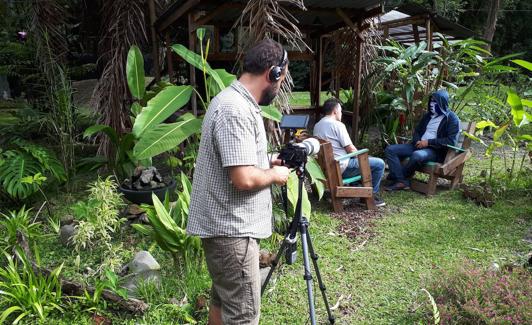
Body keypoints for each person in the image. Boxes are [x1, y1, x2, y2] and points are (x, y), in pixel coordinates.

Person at [187, 39, 291, 325]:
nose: (279, 86)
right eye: (281, 79)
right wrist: (275, 175)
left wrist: (266, 162)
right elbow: (243, 178)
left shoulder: (232, 101)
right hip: (233, 233)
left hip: (226, 232)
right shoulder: (236, 110)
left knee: (222, 302)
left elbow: (237, 161)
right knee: (243, 315)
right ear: (272, 73)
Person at [313, 97, 386, 207]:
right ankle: (370, 196)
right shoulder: (338, 125)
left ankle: (356, 185)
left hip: (326, 168)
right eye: (341, 111)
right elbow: (350, 149)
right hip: (340, 168)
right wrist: (364, 157)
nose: (341, 114)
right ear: (335, 111)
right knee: (379, 164)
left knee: (361, 159)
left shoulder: (317, 125)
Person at [384, 89, 460, 191]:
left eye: (435, 101)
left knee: (417, 155)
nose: (432, 104)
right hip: (418, 145)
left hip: (435, 151)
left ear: (443, 103)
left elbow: (451, 141)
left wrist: (428, 142)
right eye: (431, 101)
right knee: (390, 149)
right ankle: (401, 180)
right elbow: (418, 131)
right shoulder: (428, 116)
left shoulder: (451, 119)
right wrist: (417, 141)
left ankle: (397, 176)